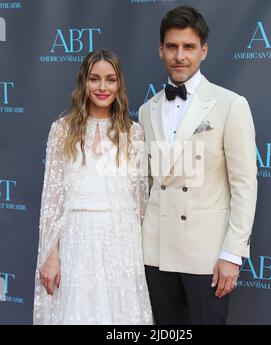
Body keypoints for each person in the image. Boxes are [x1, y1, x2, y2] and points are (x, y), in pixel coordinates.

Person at [139, 6, 257, 325]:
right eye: (172, 46)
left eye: (189, 47)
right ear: (161, 49)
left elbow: (245, 185)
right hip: (155, 251)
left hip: (205, 255)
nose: (180, 55)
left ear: (203, 51)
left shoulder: (230, 105)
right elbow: (150, 182)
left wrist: (232, 255)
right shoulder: (146, 110)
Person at [33, 49, 153, 325]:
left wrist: (141, 256)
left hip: (122, 241)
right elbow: (52, 199)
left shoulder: (133, 132)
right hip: (78, 239)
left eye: (110, 80)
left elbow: (140, 198)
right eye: (94, 79)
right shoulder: (62, 130)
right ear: (83, 83)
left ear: (119, 84)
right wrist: (50, 254)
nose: (102, 87)